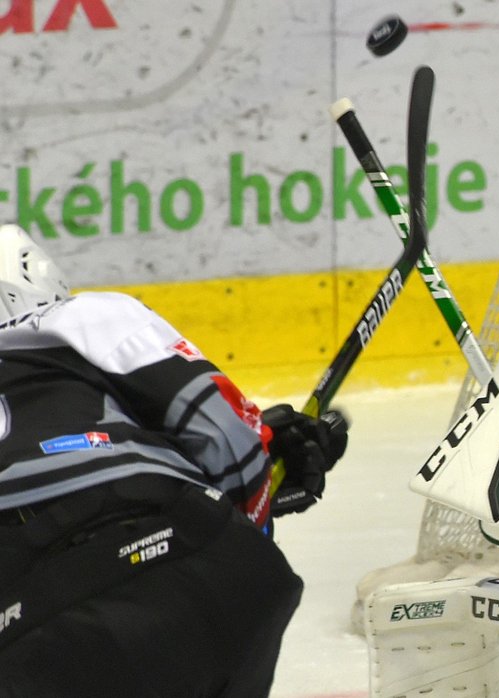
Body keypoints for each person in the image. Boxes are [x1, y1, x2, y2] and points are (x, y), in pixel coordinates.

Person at [0, 224, 347, 697]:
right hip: (199, 562)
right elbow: (223, 437)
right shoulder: (81, 317)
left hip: (30, 640)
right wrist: (254, 496)